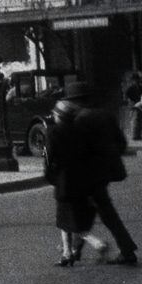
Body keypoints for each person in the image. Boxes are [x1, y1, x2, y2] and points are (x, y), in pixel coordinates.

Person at [65, 81, 139, 264]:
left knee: (97, 212)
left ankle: (127, 250)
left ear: (74, 102)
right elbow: (121, 144)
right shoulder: (106, 115)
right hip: (105, 172)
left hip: (86, 174)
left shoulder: (76, 120)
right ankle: (76, 251)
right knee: (94, 210)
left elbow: (75, 151)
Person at [43, 97, 109, 266]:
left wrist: (52, 177)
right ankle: (67, 253)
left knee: (69, 221)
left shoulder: (53, 132)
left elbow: (49, 158)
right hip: (83, 182)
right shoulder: (81, 131)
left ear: (60, 116)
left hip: (64, 182)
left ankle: (97, 244)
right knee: (67, 219)